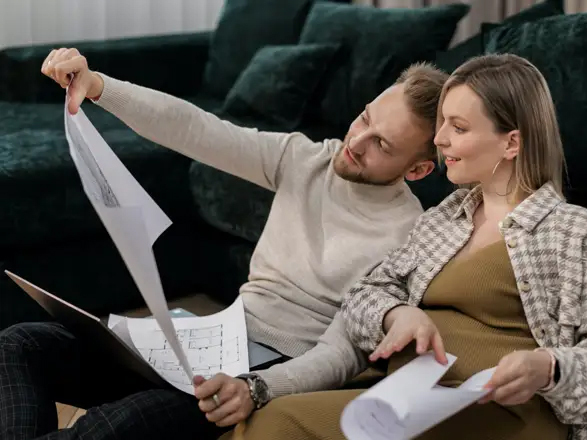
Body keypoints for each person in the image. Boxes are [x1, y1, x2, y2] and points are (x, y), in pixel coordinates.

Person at [0, 48, 449, 440]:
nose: (356, 141)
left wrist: (256, 389)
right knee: (19, 344)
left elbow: (343, 353)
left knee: (103, 428)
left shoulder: (407, 236)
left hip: (264, 373)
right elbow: (197, 129)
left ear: (418, 170)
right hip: (207, 339)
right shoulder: (306, 158)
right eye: (365, 117)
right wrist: (99, 86)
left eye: (382, 146)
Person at [223, 54, 587, 440]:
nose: (438, 140)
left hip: (504, 412)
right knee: (264, 420)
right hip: (405, 395)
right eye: (442, 123)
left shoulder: (574, 232)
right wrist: (396, 313)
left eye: (458, 128)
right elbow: (363, 297)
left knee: (279, 426)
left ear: (511, 143)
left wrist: (548, 367)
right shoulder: (444, 217)